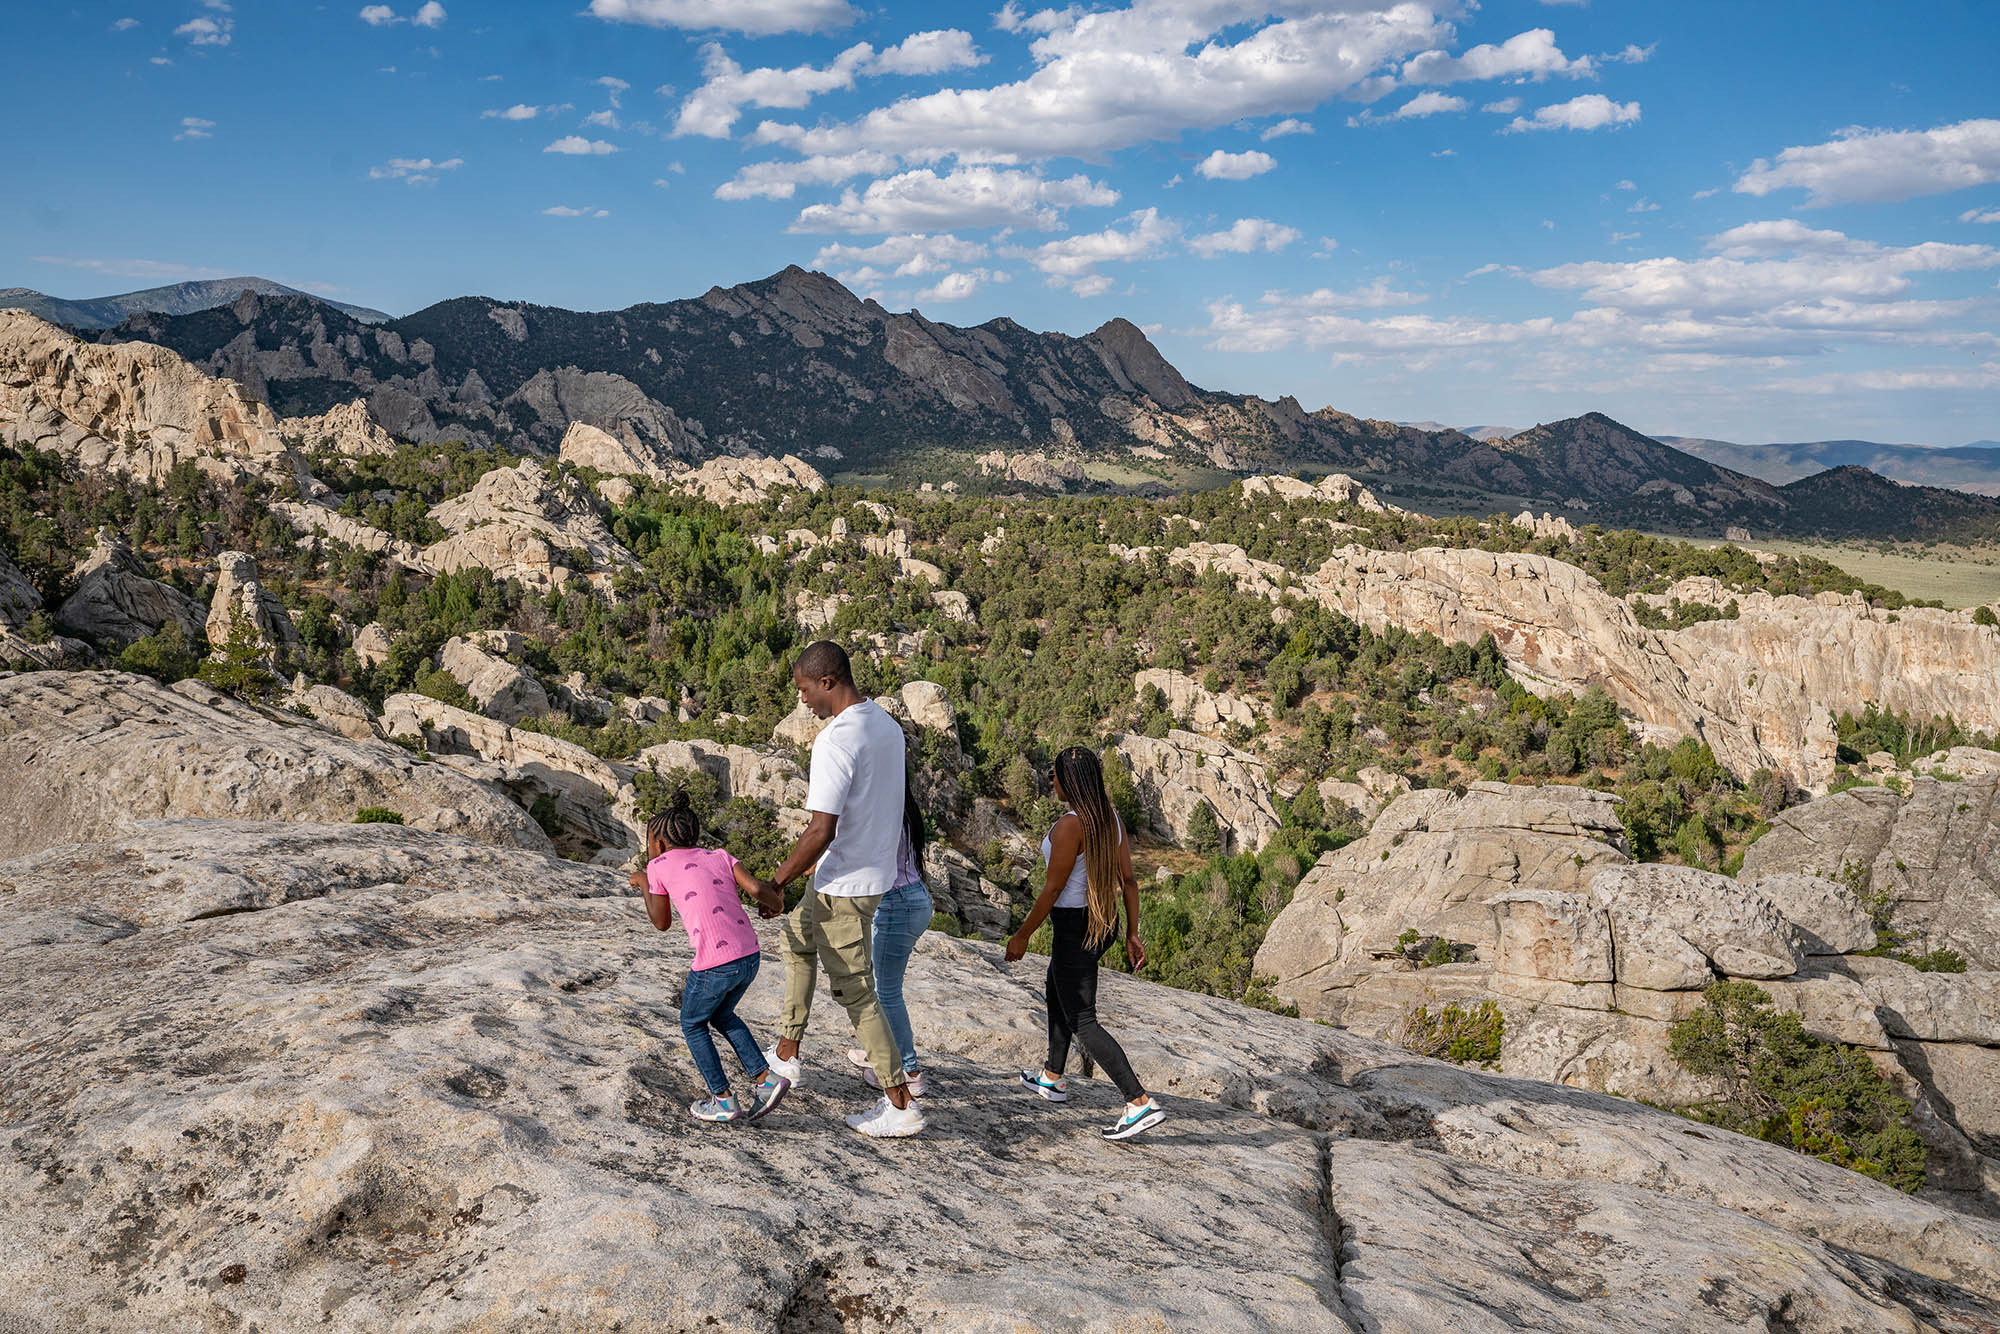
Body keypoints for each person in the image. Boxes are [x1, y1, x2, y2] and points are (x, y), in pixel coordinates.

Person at [759, 641, 924, 1138]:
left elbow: (819, 830)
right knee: (795, 939)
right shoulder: (888, 727)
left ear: (827, 682)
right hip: (859, 874)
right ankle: (787, 1052)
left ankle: (899, 1103)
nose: (802, 700)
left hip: (845, 884)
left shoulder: (835, 740)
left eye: (805, 689)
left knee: (856, 991)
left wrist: (776, 881)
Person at [1005, 746, 1166, 1141]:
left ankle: (1138, 1101)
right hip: (1103, 922)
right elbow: (1129, 880)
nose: (1051, 781)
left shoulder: (1069, 827)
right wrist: (1131, 932)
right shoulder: (1110, 819)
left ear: (1069, 782)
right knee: (1055, 987)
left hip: (1075, 926)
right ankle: (1052, 1076)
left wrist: (1022, 935)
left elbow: (1053, 887)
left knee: (1083, 1020)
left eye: (1055, 775)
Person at [629, 791, 791, 1124]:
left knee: (692, 1023)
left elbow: (661, 923)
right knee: (722, 1014)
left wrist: (645, 884)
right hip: (749, 955)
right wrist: (776, 905)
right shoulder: (719, 855)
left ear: (657, 843)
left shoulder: (657, 865)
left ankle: (723, 1100)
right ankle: (765, 1080)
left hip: (715, 963)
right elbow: (757, 890)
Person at [845, 776, 934, 1097]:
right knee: (881, 984)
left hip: (897, 904)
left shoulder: (883, 812)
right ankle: (879, 1051)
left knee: (886, 991)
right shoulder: (903, 806)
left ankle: (909, 1071)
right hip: (912, 898)